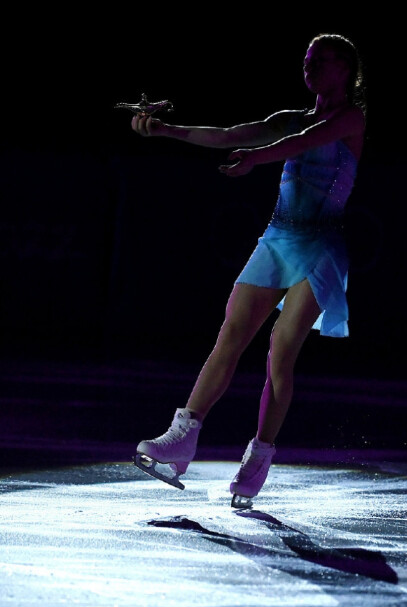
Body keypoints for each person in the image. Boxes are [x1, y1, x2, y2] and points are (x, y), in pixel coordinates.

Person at [129, 33, 367, 509]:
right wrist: (166, 131)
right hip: (278, 238)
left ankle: (258, 457)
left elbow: (302, 142)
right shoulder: (288, 119)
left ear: (347, 69)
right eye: (307, 59)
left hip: (320, 245)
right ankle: (182, 440)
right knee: (231, 333)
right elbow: (230, 134)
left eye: (321, 60)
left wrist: (257, 158)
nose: (310, 66)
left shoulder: (350, 118)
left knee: (281, 349)